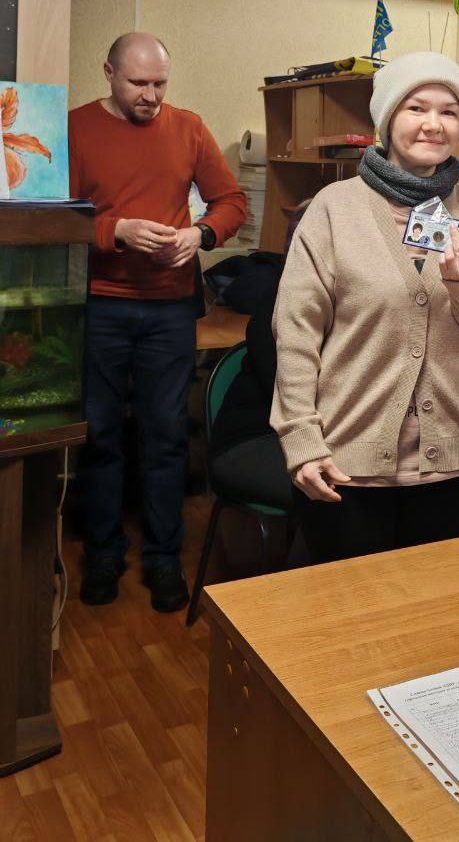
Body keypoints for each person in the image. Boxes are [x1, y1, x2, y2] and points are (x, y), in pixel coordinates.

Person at [270, 52, 459, 563]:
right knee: (350, 603)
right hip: (347, 463)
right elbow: (296, 335)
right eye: (416, 108)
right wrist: (301, 438)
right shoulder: (333, 209)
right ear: (387, 118)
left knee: (433, 603)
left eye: (449, 112)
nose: (434, 124)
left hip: (450, 464)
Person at [69, 33, 246, 610]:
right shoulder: (76, 128)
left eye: (159, 84)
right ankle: (103, 553)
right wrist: (114, 230)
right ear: (108, 73)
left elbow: (232, 202)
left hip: (170, 306)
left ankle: (164, 558)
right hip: (101, 301)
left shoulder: (188, 128)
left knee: (166, 435)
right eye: (138, 83)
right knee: (100, 433)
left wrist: (201, 234)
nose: (150, 96)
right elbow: (51, 216)